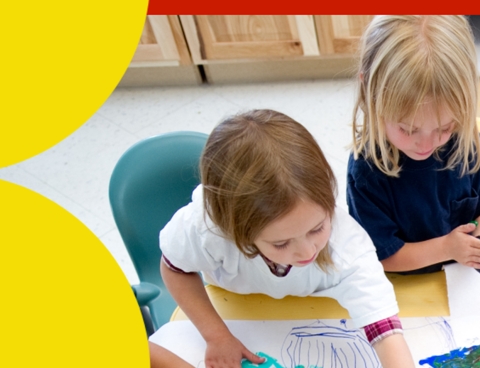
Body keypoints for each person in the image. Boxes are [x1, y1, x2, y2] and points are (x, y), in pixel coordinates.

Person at [156, 109, 413, 368]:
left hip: (319, 309)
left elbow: (384, 327)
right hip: (231, 304)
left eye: (317, 228)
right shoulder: (204, 227)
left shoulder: (347, 244)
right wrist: (216, 335)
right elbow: (174, 268)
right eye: (281, 243)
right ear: (234, 229)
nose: (306, 251)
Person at [346, 15, 480, 276]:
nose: (427, 143)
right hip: (403, 287)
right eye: (408, 129)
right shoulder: (367, 169)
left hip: (460, 283)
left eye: (444, 128)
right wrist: (447, 248)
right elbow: (383, 255)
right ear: (371, 94)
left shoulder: (466, 144)